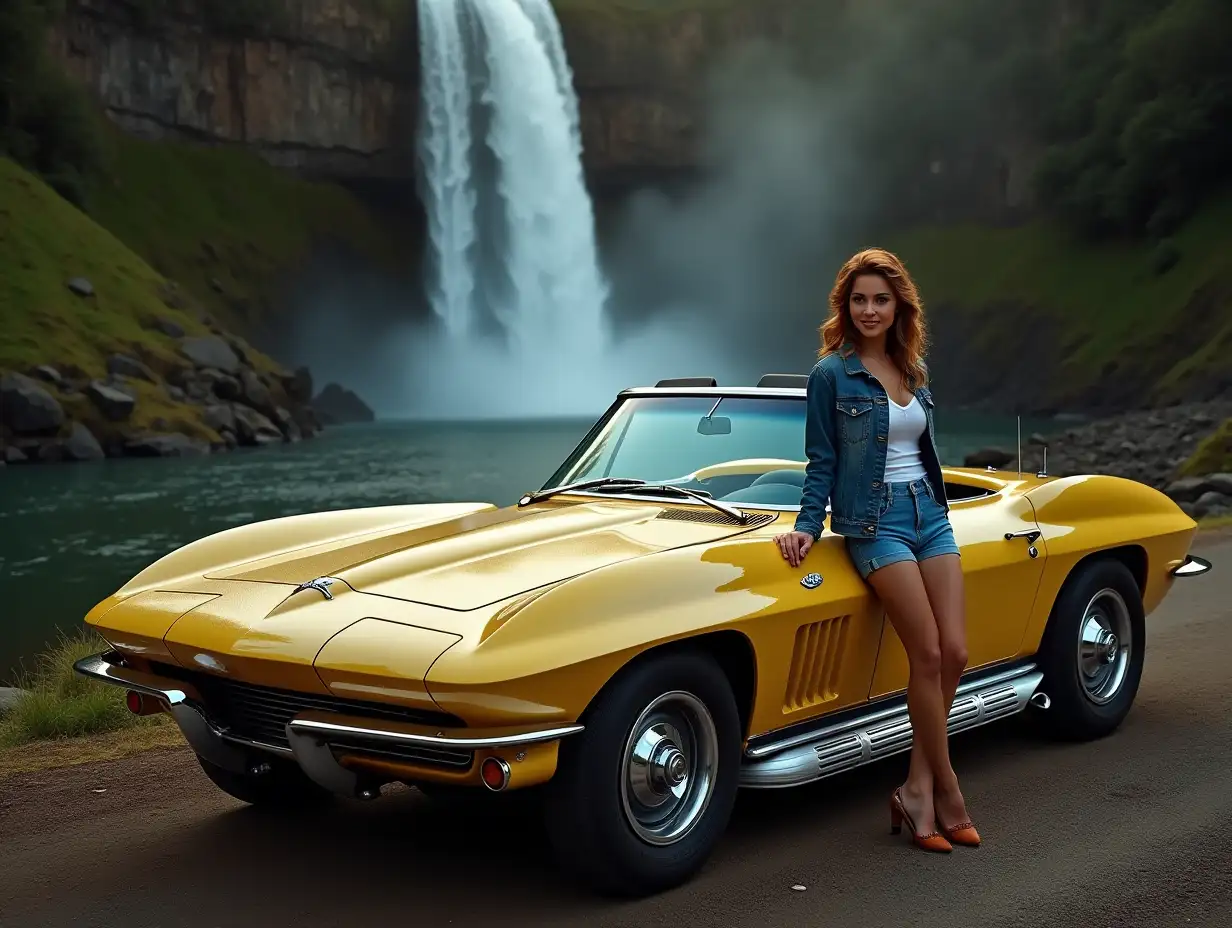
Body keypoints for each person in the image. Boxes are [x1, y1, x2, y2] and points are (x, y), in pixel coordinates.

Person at [773, 247, 979, 854]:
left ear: (898, 307)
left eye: (880, 299)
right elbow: (822, 461)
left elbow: (921, 450)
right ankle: (948, 792)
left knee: (958, 652)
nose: (869, 310)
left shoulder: (911, 369)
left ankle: (915, 787)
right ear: (846, 306)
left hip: (930, 515)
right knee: (929, 653)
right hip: (875, 522)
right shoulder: (830, 376)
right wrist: (808, 525)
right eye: (859, 299)